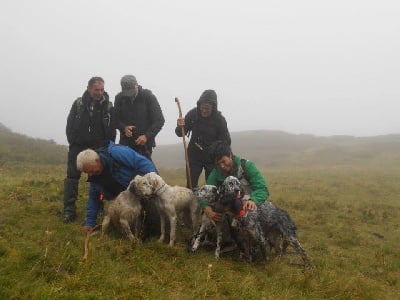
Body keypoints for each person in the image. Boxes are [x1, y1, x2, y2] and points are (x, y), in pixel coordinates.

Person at [63, 76, 116, 223]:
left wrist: (107, 147)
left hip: (99, 147)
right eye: (96, 89)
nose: (99, 93)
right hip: (77, 145)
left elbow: (112, 129)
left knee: (98, 179)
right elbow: (70, 123)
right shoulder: (78, 103)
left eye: (102, 89)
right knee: (72, 177)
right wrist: (73, 141)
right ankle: (69, 210)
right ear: (88, 88)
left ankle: (98, 207)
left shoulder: (108, 106)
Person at [77, 141, 157, 233]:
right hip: (123, 205)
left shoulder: (117, 153)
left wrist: (152, 184)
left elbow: (143, 163)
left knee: (154, 225)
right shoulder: (94, 178)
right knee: (131, 229)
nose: (90, 174)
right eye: (87, 172)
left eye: (90, 170)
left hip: (142, 194)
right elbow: (94, 199)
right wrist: (89, 223)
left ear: (97, 160)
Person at [200, 140, 269, 224]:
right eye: (218, 164)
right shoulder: (215, 172)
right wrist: (207, 209)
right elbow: (207, 193)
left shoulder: (247, 166)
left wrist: (253, 200)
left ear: (230, 154)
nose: (222, 166)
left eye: (223, 161)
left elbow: (262, 189)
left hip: (249, 205)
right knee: (206, 216)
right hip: (229, 208)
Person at [175, 89, 231, 188]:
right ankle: (190, 202)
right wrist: (180, 126)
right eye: (202, 107)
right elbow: (180, 133)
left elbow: (226, 142)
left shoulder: (220, 120)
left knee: (212, 186)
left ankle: (209, 203)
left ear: (213, 107)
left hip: (212, 158)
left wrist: (222, 156)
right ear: (199, 105)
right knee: (191, 186)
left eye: (207, 108)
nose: (204, 110)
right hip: (193, 156)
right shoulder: (193, 114)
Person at [114, 74, 165, 160]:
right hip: (126, 144)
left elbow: (159, 120)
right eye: (126, 92)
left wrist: (146, 136)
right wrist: (124, 128)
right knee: (126, 172)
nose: (129, 94)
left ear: (136, 85)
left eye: (131, 90)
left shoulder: (148, 96)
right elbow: (115, 119)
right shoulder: (119, 98)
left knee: (144, 172)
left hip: (145, 146)